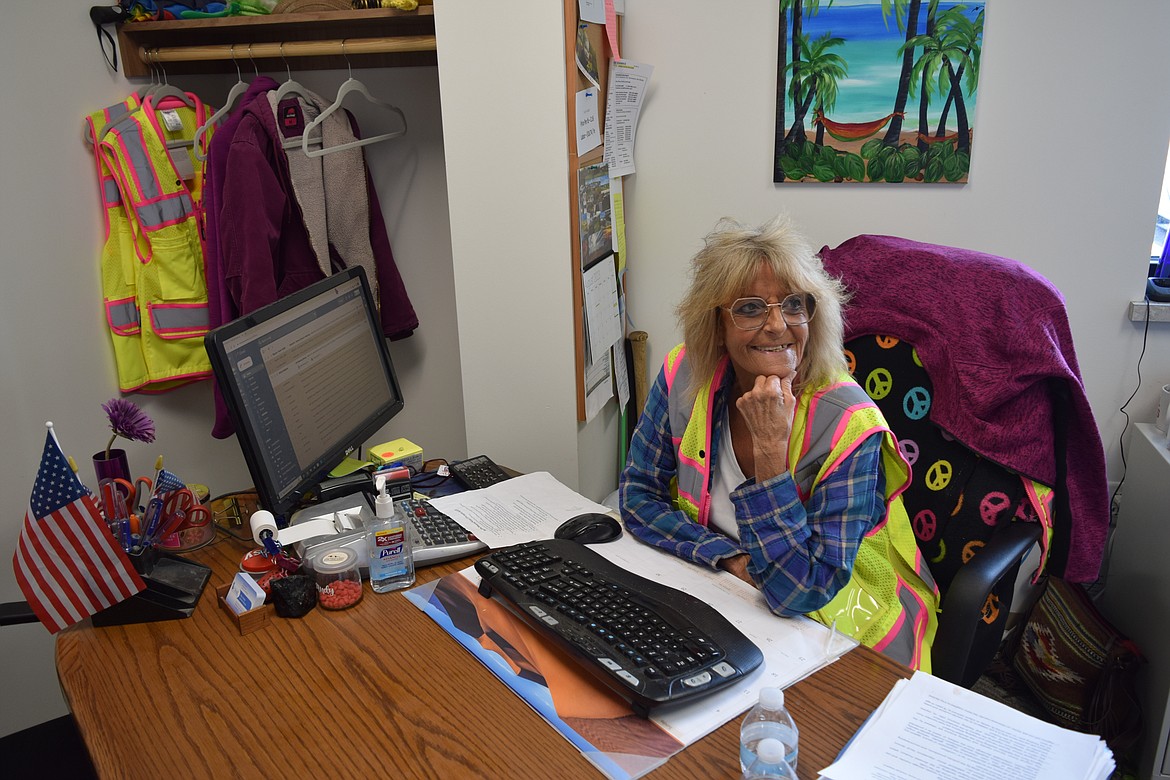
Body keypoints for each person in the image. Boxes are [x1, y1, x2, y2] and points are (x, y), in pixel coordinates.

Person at [619, 215, 939, 670]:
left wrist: (771, 453)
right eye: (750, 308)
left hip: (839, 626)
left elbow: (801, 590)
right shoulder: (684, 373)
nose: (778, 325)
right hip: (726, 590)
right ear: (716, 323)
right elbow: (638, 494)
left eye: (794, 304)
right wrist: (728, 558)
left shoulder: (850, 424)